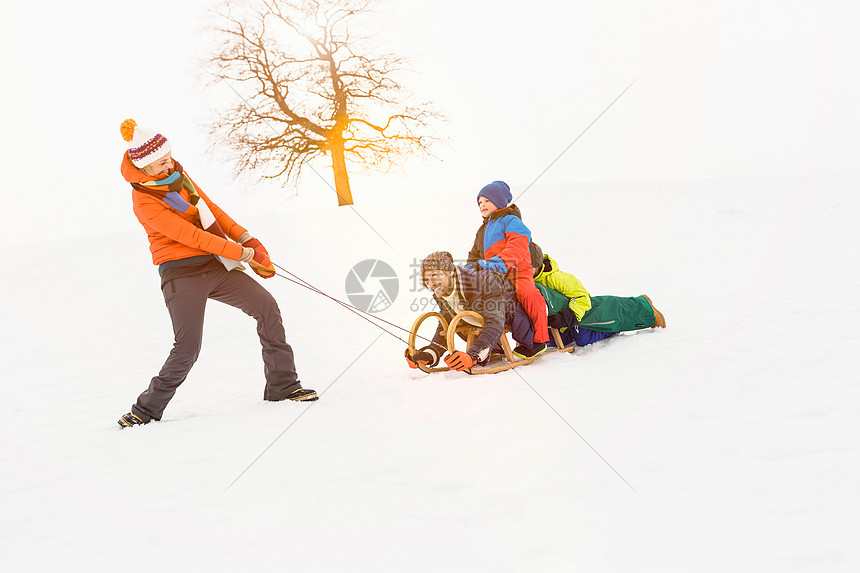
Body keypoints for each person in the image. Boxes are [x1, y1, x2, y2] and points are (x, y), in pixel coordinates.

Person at [117, 119, 317, 428]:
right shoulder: (144, 201)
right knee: (188, 347)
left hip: (214, 265)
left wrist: (247, 239)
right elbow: (191, 236)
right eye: (161, 163)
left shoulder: (179, 178)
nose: (169, 164)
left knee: (266, 307)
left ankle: (283, 386)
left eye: (169, 157)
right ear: (145, 168)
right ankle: (144, 410)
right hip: (181, 274)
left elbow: (213, 211)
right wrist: (241, 253)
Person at [405, 251, 535, 372]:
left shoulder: (488, 280)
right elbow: (446, 325)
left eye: (434, 275)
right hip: (479, 322)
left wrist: (472, 355)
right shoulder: (442, 291)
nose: (431, 284)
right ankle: (492, 349)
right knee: (456, 321)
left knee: (488, 318)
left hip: (515, 319)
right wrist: (431, 352)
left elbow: (495, 322)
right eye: (426, 280)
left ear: (450, 272)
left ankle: (487, 349)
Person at [465, 181, 549, 358]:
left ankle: (539, 340)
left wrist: (493, 264)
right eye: (480, 202)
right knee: (484, 301)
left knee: (527, 294)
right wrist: (467, 271)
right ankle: (492, 344)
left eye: (487, 200)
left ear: (500, 201)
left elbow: (517, 247)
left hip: (518, 272)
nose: (482, 205)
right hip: (494, 277)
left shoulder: (511, 220)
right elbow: (474, 256)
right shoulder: (482, 230)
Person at [528, 242, 666, 348]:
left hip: (582, 312)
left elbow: (583, 297)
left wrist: (569, 315)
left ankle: (643, 307)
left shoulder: (556, 278)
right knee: (554, 339)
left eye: (527, 267)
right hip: (563, 323)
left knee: (585, 337)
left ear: (537, 265)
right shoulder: (528, 281)